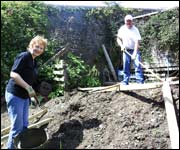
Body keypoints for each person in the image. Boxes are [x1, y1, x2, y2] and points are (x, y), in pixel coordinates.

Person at [5, 35, 47, 149]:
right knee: (17, 127)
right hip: (15, 95)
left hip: (24, 97)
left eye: (41, 48)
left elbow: (30, 80)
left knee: (24, 125)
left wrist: (36, 91)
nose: (39, 49)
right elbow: (13, 74)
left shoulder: (34, 62)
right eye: (37, 46)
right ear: (31, 45)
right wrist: (28, 88)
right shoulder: (24, 56)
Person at [117, 14, 144, 85]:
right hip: (126, 50)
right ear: (125, 21)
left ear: (132, 21)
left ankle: (140, 81)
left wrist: (134, 53)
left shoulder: (135, 30)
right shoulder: (122, 29)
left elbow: (137, 42)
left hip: (134, 49)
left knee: (137, 64)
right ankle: (125, 81)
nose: (128, 23)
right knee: (126, 65)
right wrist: (121, 46)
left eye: (130, 21)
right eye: (127, 21)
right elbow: (118, 39)